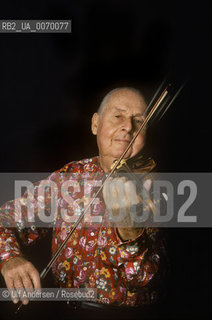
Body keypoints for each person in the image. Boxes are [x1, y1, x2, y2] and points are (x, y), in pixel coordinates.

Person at [0, 88, 168, 318]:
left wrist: (129, 230)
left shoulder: (156, 188)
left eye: (139, 121)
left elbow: (140, 280)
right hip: (61, 311)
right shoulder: (70, 176)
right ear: (95, 124)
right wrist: (9, 258)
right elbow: (5, 218)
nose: (128, 127)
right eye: (118, 116)